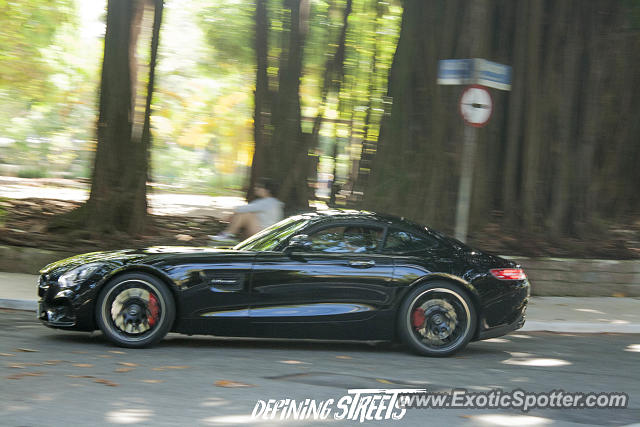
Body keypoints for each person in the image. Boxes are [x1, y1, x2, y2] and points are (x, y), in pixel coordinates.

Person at [210, 179, 284, 243]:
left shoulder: (269, 202)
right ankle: (229, 235)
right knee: (246, 214)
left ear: (267, 190)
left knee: (246, 214)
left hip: (265, 234)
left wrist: (230, 215)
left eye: (259, 187)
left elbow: (241, 209)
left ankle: (228, 235)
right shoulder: (268, 201)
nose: (256, 188)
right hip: (262, 231)